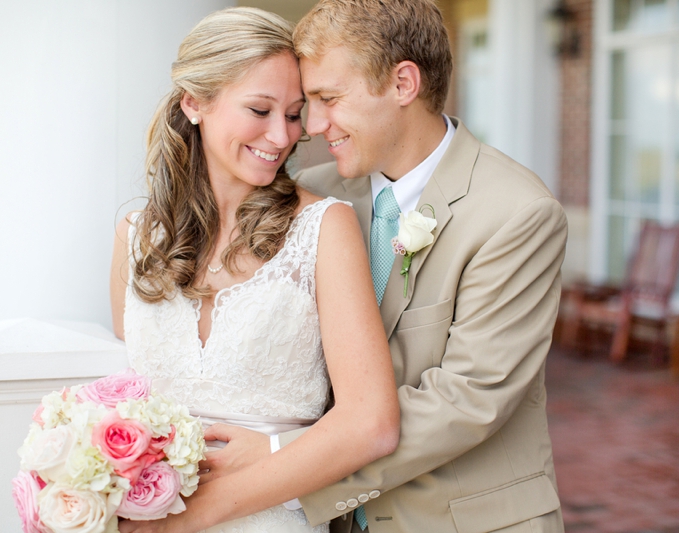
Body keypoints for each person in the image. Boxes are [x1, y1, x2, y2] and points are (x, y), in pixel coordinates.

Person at [203, 1, 568, 532]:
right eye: (310, 102)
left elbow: (468, 399)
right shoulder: (314, 198)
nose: (312, 125)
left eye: (328, 99)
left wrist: (282, 454)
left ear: (403, 84)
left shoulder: (517, 213)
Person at [109, 7, 400, 533]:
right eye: (259, 110)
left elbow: (370, 424)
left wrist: (191, 518)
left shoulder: (325, 228)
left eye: (293, 114)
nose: (282, 135)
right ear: (194, 103)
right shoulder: (136, 237)